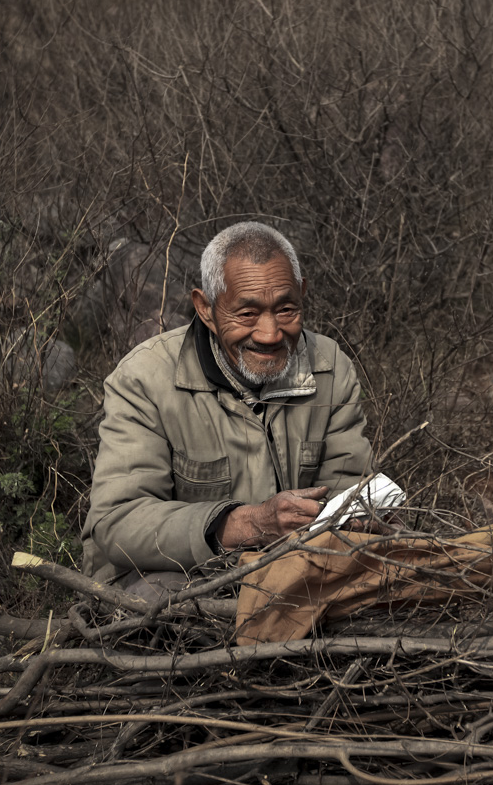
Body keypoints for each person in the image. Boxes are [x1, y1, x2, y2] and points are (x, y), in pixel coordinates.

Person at [82, 222, 377, 584]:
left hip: (292, 570)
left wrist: (360, 518)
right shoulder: (144, 379)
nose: (270, 334)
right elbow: (118, 522)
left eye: (286, 309)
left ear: (302, 293)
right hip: (174, 576)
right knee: (166, 603)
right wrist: (244, 525)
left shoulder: (329, 368)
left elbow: (348, 490)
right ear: (205, 308)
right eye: (247, 314)